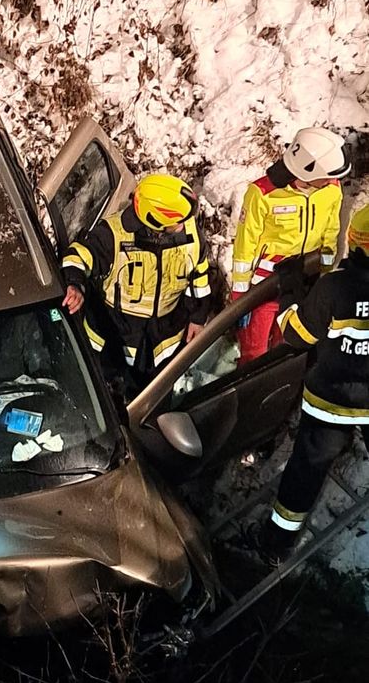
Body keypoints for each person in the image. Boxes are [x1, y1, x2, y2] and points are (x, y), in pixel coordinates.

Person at [259, 204, 369, 565]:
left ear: (355, 241)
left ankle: (275, 545)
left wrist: (290, 291)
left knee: (305, 472)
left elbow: (297, 335)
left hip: (331, 404)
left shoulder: (334, 287)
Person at [61, 173, 211, 392]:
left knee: (155, 396)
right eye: (176, 222)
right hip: (114, 337)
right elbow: (78, 256)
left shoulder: (191, 235)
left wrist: (197, 318)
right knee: (108, 394)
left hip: (164, 339)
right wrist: (75, 284)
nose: (184, 225)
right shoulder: (112, 235)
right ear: (155, 222)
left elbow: (199, 277)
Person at [231, 127, 350, 366]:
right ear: (308, 169)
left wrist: (324, 275)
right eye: (327, 175)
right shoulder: (263, 194)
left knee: (287, 344)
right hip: (266, 286)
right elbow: (245, 245)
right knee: (255, 351)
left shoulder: (331, 189)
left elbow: (331, 231)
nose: (332, 180)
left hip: (304, 280)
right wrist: (240, 295)